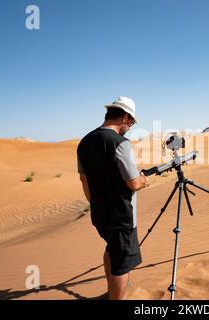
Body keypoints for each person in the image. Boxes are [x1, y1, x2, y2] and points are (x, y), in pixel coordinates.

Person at [77, 96, 147, 300]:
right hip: (121, 217)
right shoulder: (120, 143)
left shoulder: (85, 142)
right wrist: (143, 179)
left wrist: (95, 203)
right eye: (131, 122)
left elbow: (83, 179)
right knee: (121, 265)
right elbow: (133, 183)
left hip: (100, 214)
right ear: (125, 117)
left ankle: (111, 293)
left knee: (112, 250)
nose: (130, 127)